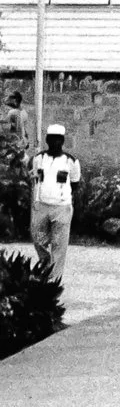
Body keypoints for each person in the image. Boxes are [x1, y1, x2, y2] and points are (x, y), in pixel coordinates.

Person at [30, 125, 81, 283]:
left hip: (62, 208)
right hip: (41, 206)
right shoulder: (38, 159)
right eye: (52, 139)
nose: (55, 142)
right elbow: (35, 180)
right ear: (47, 140)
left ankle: (54, 280)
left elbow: (75, 183)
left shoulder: (71, 161)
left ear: (63, 141)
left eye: (58, 139)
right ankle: (46, 265)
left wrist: (63, 197)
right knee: (38, 239)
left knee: (59, 245)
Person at [3, 89, 30, 165]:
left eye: (9, 97)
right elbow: (25, 130)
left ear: (15, 100)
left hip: (15, 142)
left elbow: (5, 125)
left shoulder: (13, 112)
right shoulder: (24, 112)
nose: (7, 99)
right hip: (22, 141)